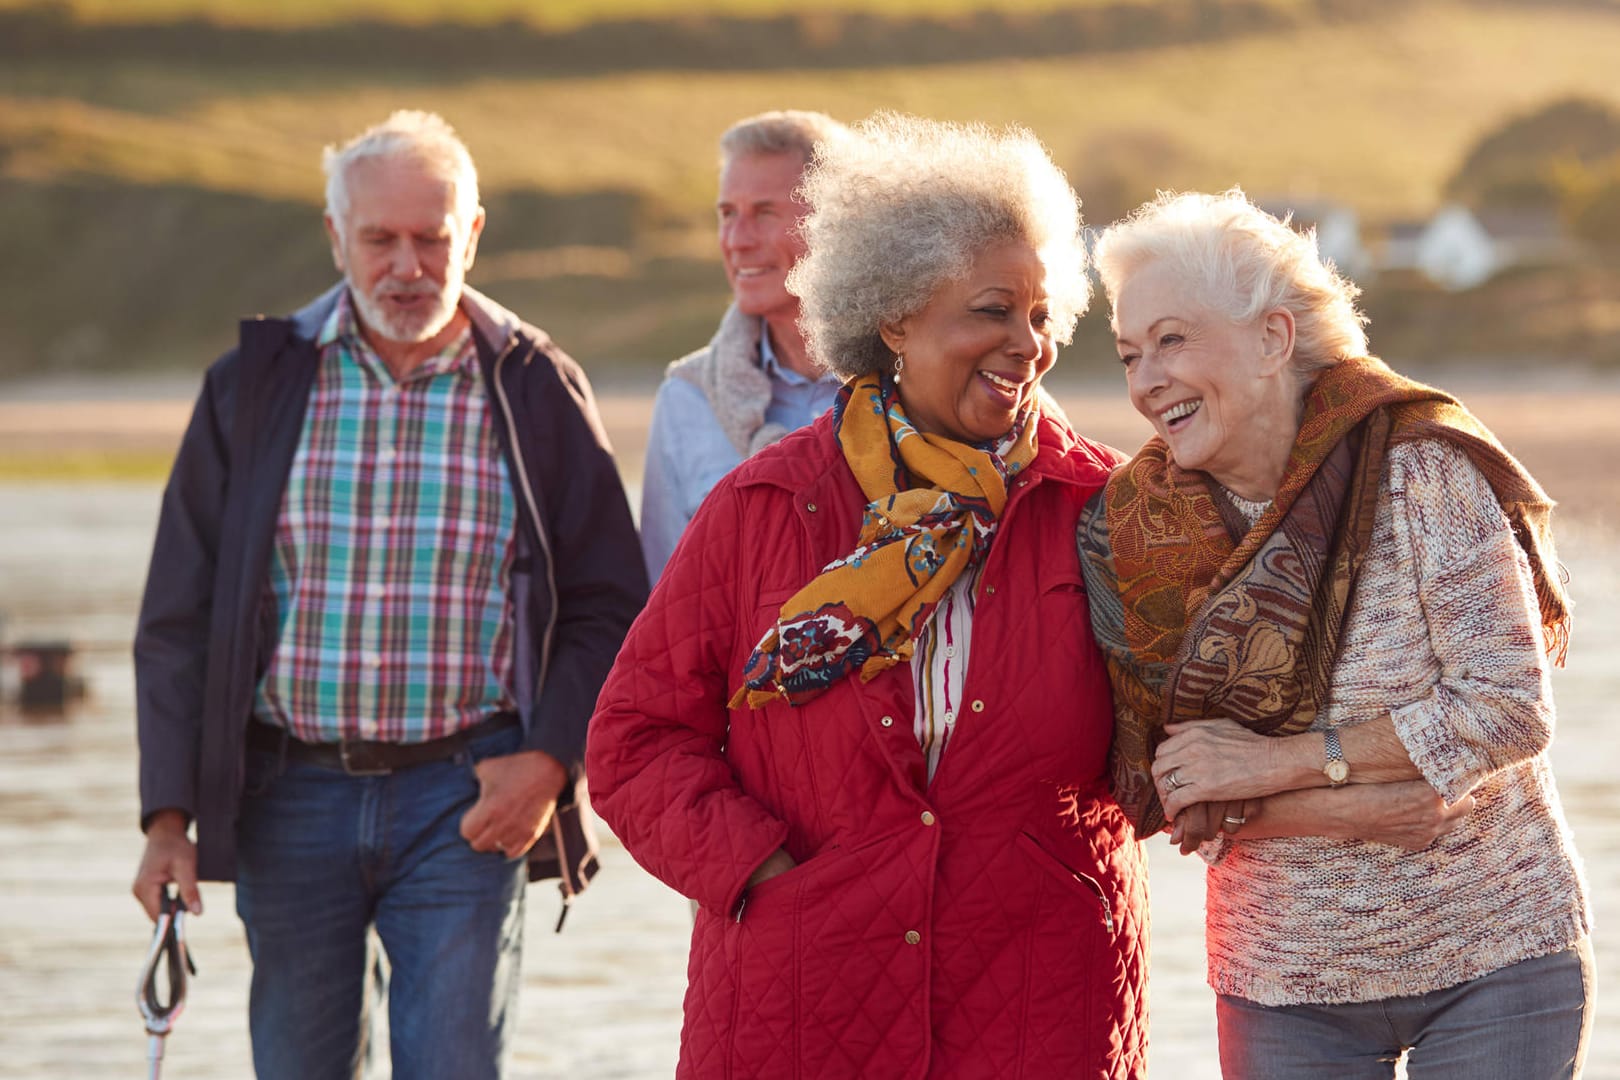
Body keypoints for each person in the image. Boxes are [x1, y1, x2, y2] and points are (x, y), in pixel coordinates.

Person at [587, 112, 1147, 1078]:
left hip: (1040, 999)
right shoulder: (762, 504)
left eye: (1042, 316)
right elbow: (634, 739)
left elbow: (1187, 736)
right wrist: (759, 871)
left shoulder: (1106, 509)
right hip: (801, 994)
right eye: (991, 311)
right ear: (893, 317)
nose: (1029, 345)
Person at [129, 110, 647, 1079]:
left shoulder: (537, 387)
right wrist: (168, 820)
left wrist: (547, 763)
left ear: (473, 234)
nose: (407, 265)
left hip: (472, 799)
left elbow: (609, 603)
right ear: (337, 237)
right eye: (380, 239)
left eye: (431, 237)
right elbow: (177, 621)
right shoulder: (252, 386)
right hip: (286, 797)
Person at [1077, 188, 1593, 1078]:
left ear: (1274, 338)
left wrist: (1274, 766)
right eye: (1129, 354)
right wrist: (1367, 803)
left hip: (1498, 956)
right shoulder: (1131, 529)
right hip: (1282, 981)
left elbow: (1507, 707)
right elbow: (1170, 791)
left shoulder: (1418, 467)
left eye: (1172, 339)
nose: (1146, 379)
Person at [639, 109, 848, 582]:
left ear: (838, 224)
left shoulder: (923, 386)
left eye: (764, 213)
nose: (736, 240)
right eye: (727, 215)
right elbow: (662, 608)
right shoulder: (686, 399)